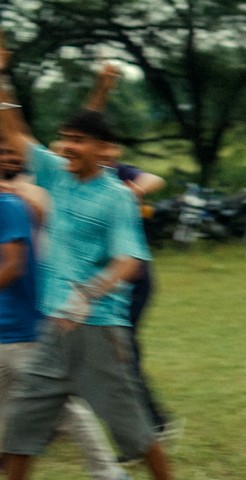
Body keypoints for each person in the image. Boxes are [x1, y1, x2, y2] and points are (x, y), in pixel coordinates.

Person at [0, 52, 171, 479]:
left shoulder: (116, 196)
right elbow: (14, 131)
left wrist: (88, 294)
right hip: (53, 328)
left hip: (98, 329)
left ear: (105, 150)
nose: (67, 146)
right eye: (64, 138)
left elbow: (130, 261)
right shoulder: (56, 174)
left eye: (77, 139)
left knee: (134, 432)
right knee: (22, 429)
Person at [1, 138, 130, 480]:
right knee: (13, 408)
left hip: (21, 329)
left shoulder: (11, 204)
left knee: (64, 407)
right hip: (7, 332)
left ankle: (108, 472)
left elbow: (13, 267)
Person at [82, 63, 179, 447]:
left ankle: (152, 428)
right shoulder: (72, 176)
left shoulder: (113, 176)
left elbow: (154, 179)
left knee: (121, 355)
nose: (106, 151)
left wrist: (132, 192)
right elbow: (82, 129)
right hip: (94, 281)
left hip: (131, 280)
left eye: (109, 147)